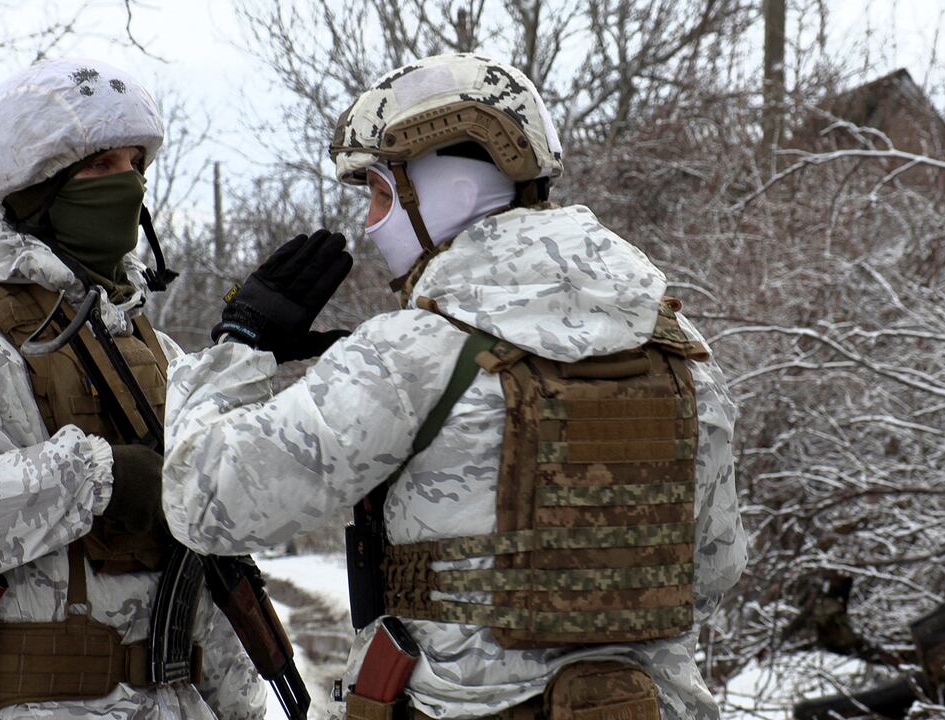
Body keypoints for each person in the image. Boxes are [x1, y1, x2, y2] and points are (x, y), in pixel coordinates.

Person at [163, 53, 746, 720]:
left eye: (382, 194)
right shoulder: (680, 348)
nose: (371, 223)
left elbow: (203, 504)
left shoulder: (414, 353)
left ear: (448, 193)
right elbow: (714, 571)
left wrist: (238, 347)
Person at [0, 58, 265, 720]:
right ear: (37, 187)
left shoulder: (147, 346)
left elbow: (202, 566)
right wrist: (93, 480)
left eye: (135, 163)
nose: (127, 183)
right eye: (101, 167)